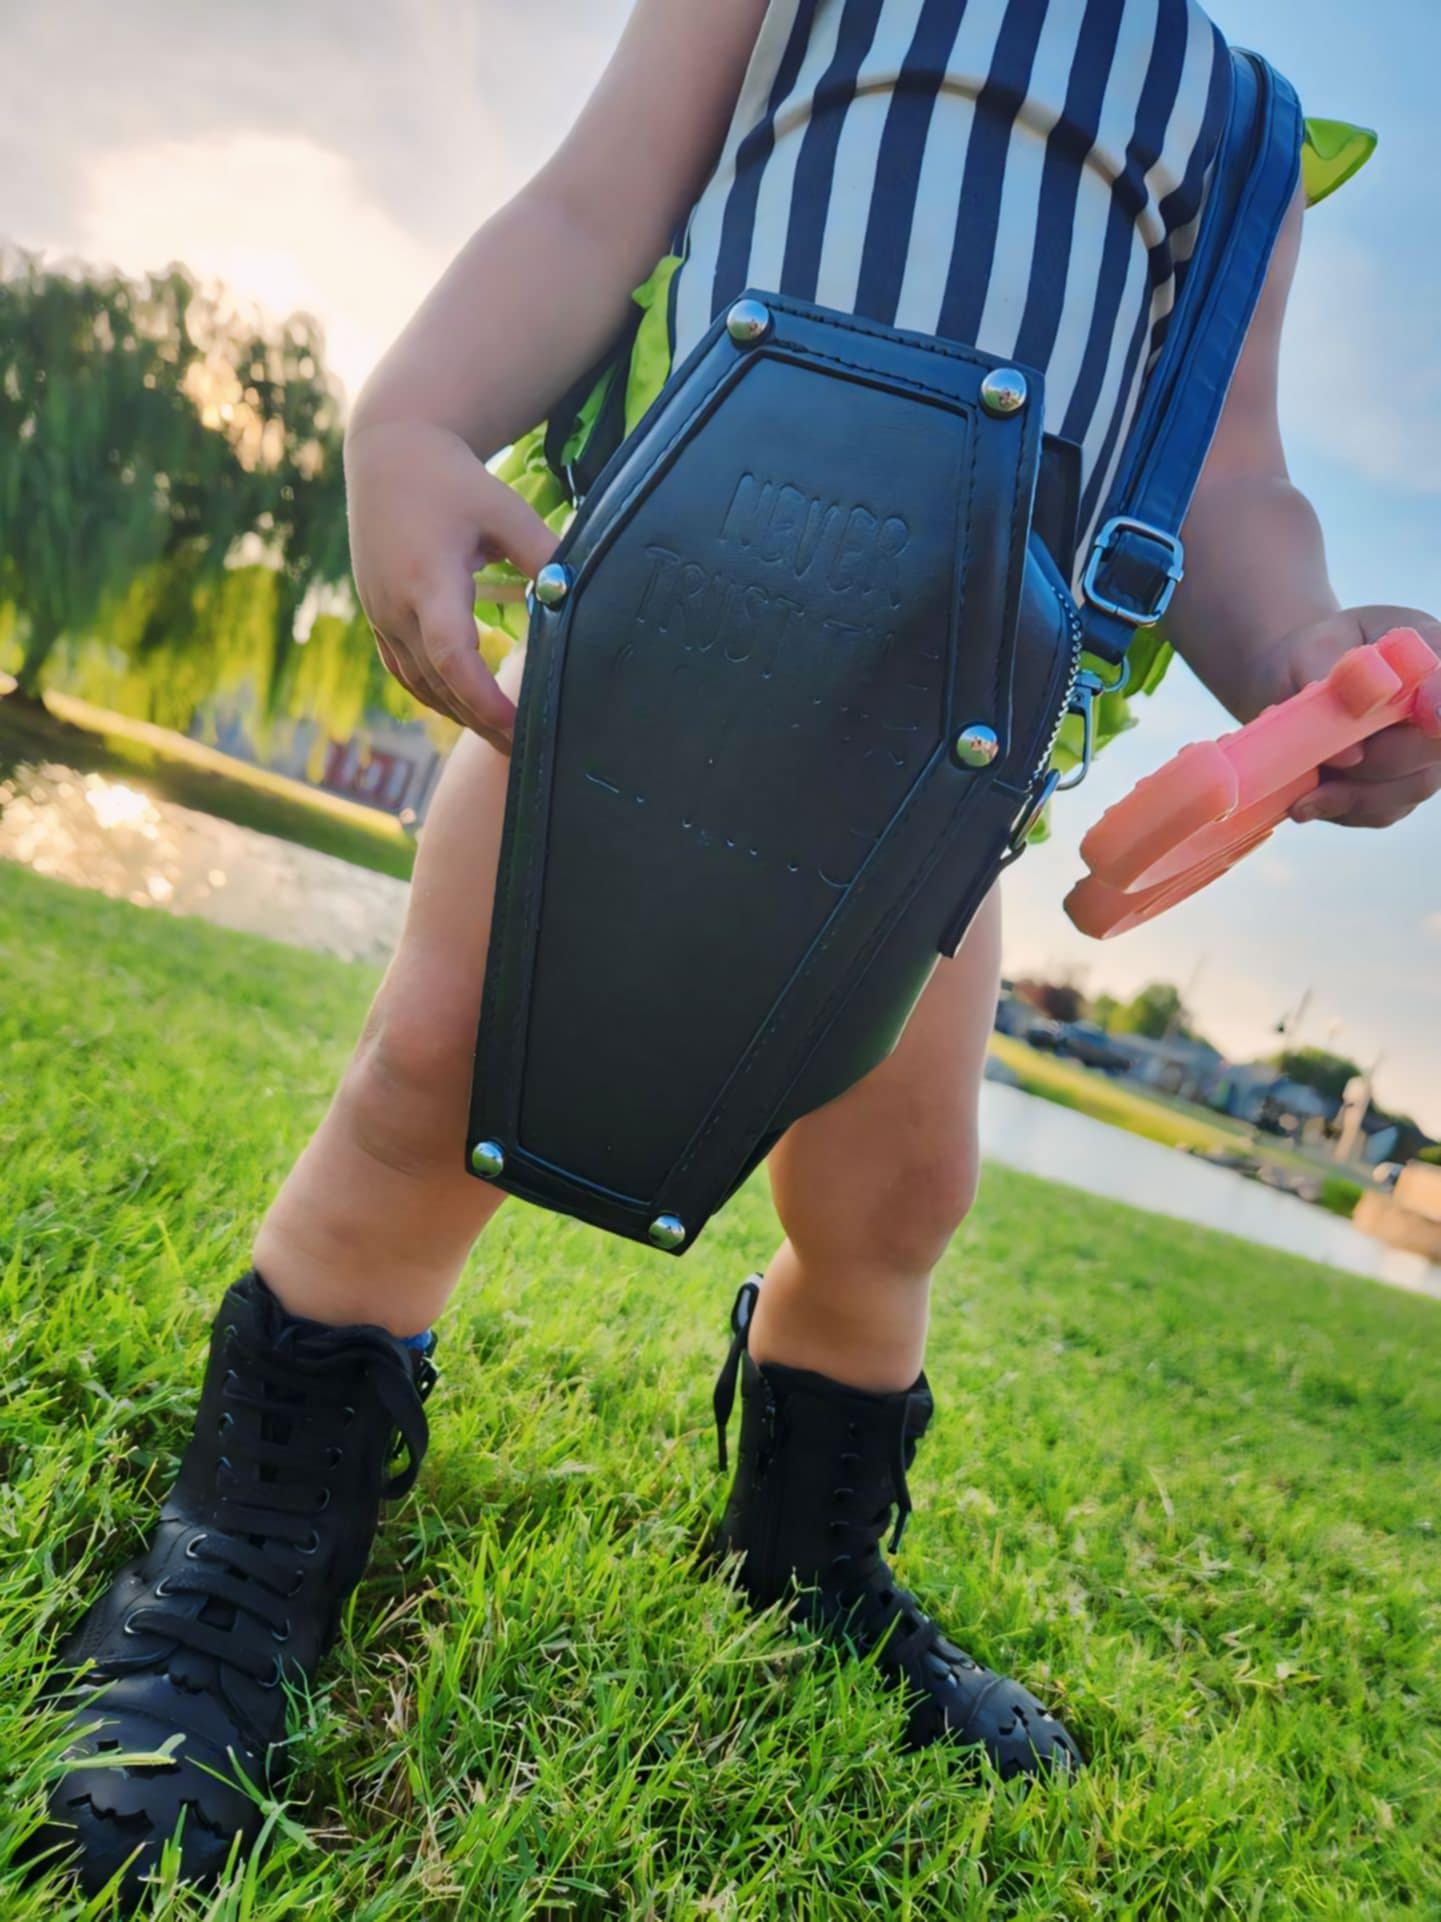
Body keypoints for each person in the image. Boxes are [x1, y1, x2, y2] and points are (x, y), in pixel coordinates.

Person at [38, 0, 1440, 1899]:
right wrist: (421, 411)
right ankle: (247, 1542)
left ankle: (806, 1552)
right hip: (646, 650)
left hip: (946, 764)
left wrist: (1300, 665)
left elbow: (1224, 473)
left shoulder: (1242, 132)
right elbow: (591, 216)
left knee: (896, 1194)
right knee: (440, 1073)